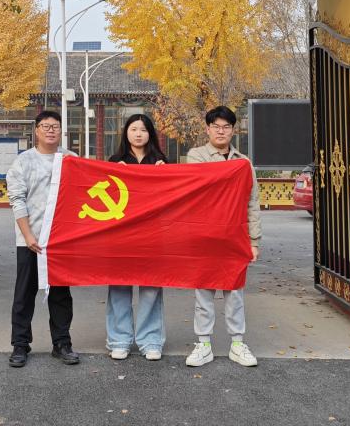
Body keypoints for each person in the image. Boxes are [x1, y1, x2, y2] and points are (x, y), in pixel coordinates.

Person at [184, 105, 261, 368]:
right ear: (207, 129)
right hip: (204, 235)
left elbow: (252, 201)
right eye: (216, 126)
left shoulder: (244, 162)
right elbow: (202, 189)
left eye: (226, 127)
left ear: (233, 130)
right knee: (203, 292)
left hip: (234, 236)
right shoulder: (196, 156)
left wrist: (254, 241)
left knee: (234, 291)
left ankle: (237, 343)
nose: (221, 131)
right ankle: (203, 344)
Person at [5, 110, 79, 368]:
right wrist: (28, 235)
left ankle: (62, 343)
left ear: (61, 131)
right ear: (36, 130)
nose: (50, 130)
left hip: (60, 241)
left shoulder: (71, 160)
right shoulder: (23, 162)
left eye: (55, 126)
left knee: (60, 294)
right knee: (24, 294)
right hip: (31, 240)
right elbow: (17, 200)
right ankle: (20, 345)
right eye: (45, 126)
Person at [105, 113, 168, 361]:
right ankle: (119, 340)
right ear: (126, 133)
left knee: (151, 287)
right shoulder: (115, 161)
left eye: (143, 129)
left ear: (150, 133)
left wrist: (166, 175)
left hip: (152, 234)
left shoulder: (161, 161)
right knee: (119, 286)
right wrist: (114, 174)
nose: (138, 134)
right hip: (121, 235)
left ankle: (151, 340)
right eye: (133, 129)